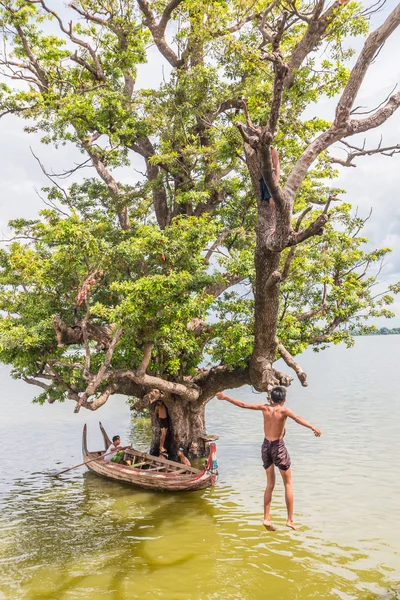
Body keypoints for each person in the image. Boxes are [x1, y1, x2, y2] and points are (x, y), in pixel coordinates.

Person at [216, 387, 321, 531]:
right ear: (284, 400)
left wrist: (225, 397)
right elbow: (298, 419)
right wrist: (313, 427)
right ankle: (290, 520)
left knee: (270, 484)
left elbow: (244, 405)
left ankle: (266, 518)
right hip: (278, 448)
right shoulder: (284, 411)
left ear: (271, 398)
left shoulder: (264, 408)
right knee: (288, 484)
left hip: (266, 447)